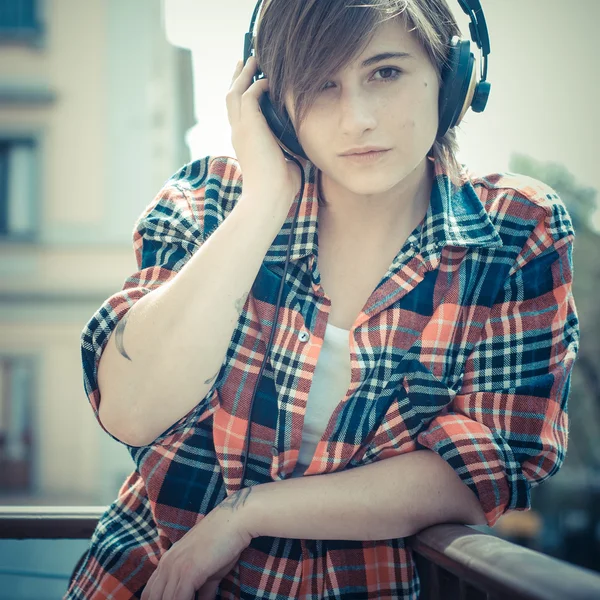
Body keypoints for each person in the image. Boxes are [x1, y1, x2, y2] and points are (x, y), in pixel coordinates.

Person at [65, 1, 580, 599]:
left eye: (385, 73)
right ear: (271, 104)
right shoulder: (210, 199)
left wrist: (247, 513)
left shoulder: (517, 230)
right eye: (319, 86)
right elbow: (130, 408)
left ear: (452, 77)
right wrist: (262, 205)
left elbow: (483, 471)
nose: (356, 118)